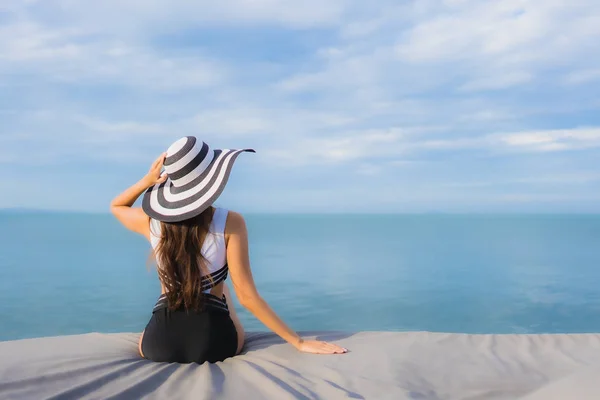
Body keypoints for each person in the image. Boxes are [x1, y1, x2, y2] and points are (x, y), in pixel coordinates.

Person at [110, 136, 347, 364]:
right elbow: (247, 297)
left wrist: (147, 181)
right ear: (210, 180)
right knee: (226, 291)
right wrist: (299, 342)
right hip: (213, 342)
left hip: (160, 343)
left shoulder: (150, 221)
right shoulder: (230, 222)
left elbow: (117, 206)